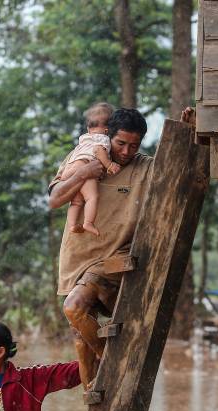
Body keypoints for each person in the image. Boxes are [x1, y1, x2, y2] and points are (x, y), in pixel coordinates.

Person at [48, 107, 153, 389]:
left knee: (74, 308)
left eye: (134, 145)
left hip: (111, 259)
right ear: (108, 136)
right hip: (77, 258)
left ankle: (111, 364)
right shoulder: (84, 156)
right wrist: (85, 171)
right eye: (121, 143)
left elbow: (180, 167)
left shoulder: (144, 167)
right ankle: (91, 392)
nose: (127, 151)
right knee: (79, 335)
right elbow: (55, 199)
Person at [58, 102, 120, 236]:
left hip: (72, 166)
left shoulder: (84, 138)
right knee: (92, 197)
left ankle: (73, 225)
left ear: (88, 128)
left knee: (76, 201)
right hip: (86, 167)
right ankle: (88, 223)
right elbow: (98, 151)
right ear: (108, 129)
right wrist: (109, 165)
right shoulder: (103, 139)